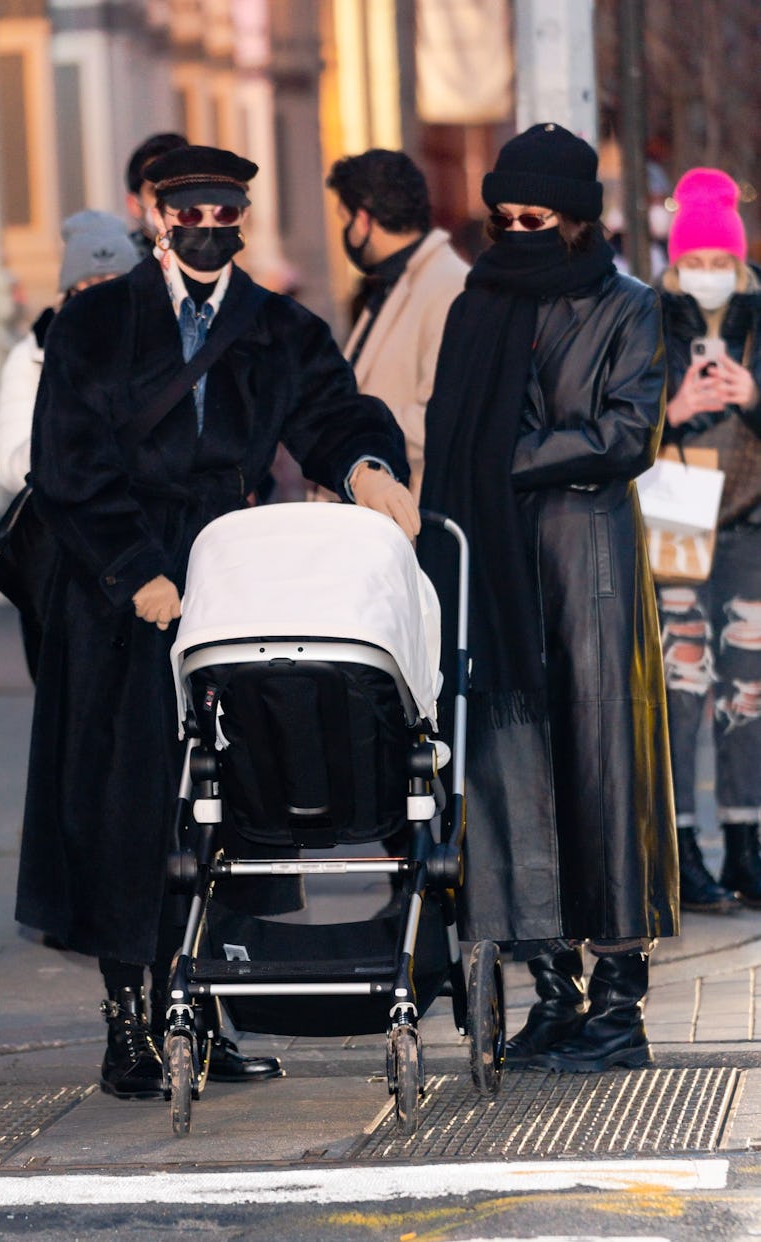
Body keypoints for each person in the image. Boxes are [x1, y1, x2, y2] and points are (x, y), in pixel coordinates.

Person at [14, 144, 420, 1100]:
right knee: (127, 807)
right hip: (116, 593)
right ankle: (130, 1023)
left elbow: (335, 409)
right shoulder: (98, 321)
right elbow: (65, 463)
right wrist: (136, 573)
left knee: (225, 801)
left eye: (224, 216)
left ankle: (206, 1003)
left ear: (243, 219)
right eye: (187, 215)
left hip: (228, 577)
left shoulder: (275, 326)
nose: (205, 232)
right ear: (160, 218)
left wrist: (367, 468)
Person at [418, 123, 679, 1073]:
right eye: (504, 218)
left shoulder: (630, 307)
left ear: (577, 221)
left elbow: (624, 434)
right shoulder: (475, 305)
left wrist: (504, 461)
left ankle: (618, 1002)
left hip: (589, 568)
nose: (518, 232)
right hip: (495, 569)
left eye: (538, 218)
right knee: (509, 769)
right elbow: (446, 432)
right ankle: (552, 994)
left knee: (604, 772)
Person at [656, 167, 761, 913]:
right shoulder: (647, 315)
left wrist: (753, 397)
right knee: (683, 686)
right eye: (697, 262)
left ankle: (748, 841)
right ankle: (684, 846)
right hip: (677, 511)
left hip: (750, 516)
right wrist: (674, 407)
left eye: (721, 262)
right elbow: (624, 414)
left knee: (747, 691)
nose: (710, 275)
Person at [0, 211, 139, 679]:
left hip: (139, 542)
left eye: (115, 282)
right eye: (88, 284)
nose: (100, 299)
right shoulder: (33, 355)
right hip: (61, 552)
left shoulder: (157, 351)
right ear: (66, 292)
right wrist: (66, 441)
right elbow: (8, 465)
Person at [324, 149, 469, 499]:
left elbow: (445, 420)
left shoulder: (449, 286)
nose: (346, 232)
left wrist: (350, 426)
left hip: (409, 515)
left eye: (344, 219)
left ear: (363, 220)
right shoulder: (395, 281)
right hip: (376, 514)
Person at [124, 132, 188, 259]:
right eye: (157, 191)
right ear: (134, 205)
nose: (171, 202)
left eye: (181, 188)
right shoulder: (121, 267)